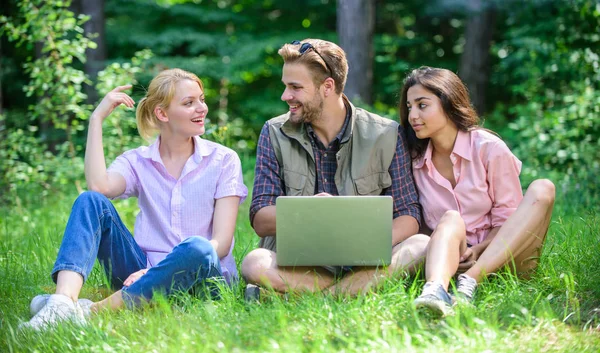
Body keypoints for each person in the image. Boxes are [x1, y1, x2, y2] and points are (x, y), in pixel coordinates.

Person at [21, 68, 248, 330]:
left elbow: (219, 245)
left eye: (202, 99)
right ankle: (62, 303)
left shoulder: (223, 160)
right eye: (189, 103)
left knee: (198, 247)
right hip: (136, 274)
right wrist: (96, 119)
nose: (202, 108)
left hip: (203, 281)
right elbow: (99, 186)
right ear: (162, 114)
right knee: (90, 201)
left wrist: (154, 274)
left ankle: (87, 313)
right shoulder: (138, 161)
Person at [241, 39, 428, 297]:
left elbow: (409, 215)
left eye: (295, 87)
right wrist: (311, 212)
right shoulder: (274, 132)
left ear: (327, 86)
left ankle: (307, 296)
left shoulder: (386, 133)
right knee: (255, 262)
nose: (286, 96)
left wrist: (364, 242)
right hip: (299, 263)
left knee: (421, 245)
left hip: (365, 260)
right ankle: (352, 290)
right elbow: (260, 217)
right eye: (286, 87)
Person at [399, 66, 555, 316]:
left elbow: (508, 221)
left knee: (543, 188)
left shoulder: (489, 148)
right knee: (450, 218)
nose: (412, 116)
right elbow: (425, 226)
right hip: (452, 259)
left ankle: (470, 282)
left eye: (422, 105)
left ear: (448, 102)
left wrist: (479, 252)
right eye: (409, 107)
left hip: (507, 257)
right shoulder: (414, 161)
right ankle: (436, 290)